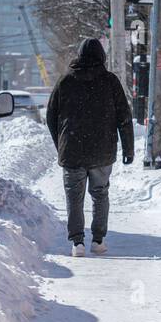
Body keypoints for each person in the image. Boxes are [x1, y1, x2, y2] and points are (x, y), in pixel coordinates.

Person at [45, 38, 134, 257]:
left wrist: (62, 144)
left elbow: (50, 116)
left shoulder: (65, 82)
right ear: (101, 56)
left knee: (74, 198)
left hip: (72, 151)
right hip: (102, 152)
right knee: (100, 194)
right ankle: (98, 240)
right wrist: (128, 149)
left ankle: (77, 243)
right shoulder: (110, 82)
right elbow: (124, 117)